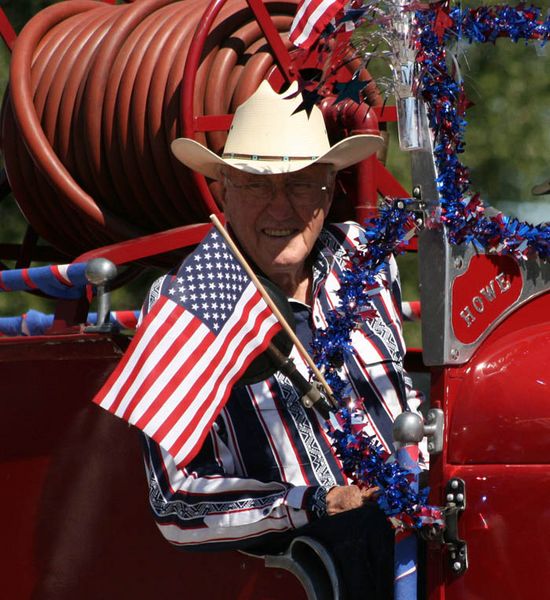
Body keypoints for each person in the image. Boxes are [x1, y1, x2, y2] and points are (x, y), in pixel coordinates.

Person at [140, 81, 424, 599]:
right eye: (255, 185)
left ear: (331, 188)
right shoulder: (188, 299)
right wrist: (312, 503)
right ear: (223, 192)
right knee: (358, 534)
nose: (280, 208)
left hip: (421, 523)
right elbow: (176, 503)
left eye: (301, 184)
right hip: (309, 564)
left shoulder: (364, 255)